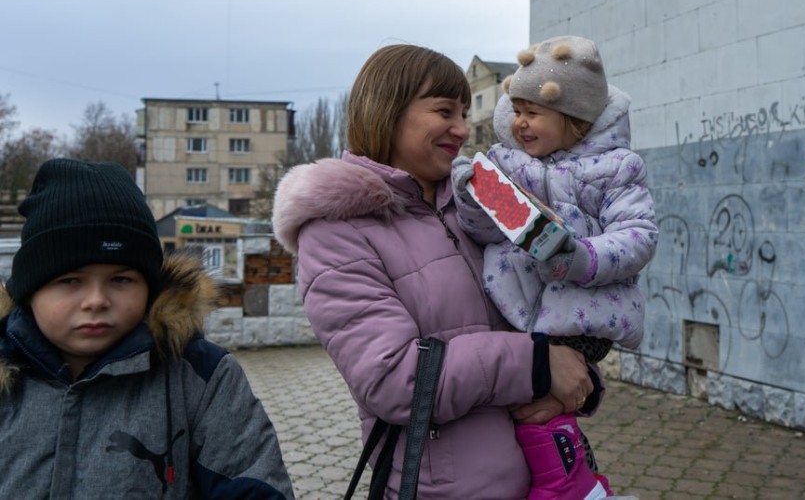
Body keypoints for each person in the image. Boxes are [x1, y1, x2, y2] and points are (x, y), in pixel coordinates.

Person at [271, 43, 597, 500]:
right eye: (445, 110)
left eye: (465, 112)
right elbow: (394, 380)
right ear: (387, 112)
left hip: (553, 474)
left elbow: (554, 294)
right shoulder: (334, 231)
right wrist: (538, 364)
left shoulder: (485, 194)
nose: (462, 130)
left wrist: (580, 371)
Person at [0, 158, 294, 499]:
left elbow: (254, 485)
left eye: (121, 279)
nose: (96, 300)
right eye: (70, 280)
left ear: (150, 287)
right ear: (30, 289)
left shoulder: (200, 378)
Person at [451, 35, 658, 499]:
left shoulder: (615, 168)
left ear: (575, 121)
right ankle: (577, 481)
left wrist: (578, 256)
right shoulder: (507, 163)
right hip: (519, 316)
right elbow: (484, 232)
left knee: (541, 410)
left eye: (533, 113)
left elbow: (639, 237)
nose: (519, 123)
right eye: (516, 110)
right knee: (533, 409)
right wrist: (472, 197)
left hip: (584, 317)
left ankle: (568, 486)